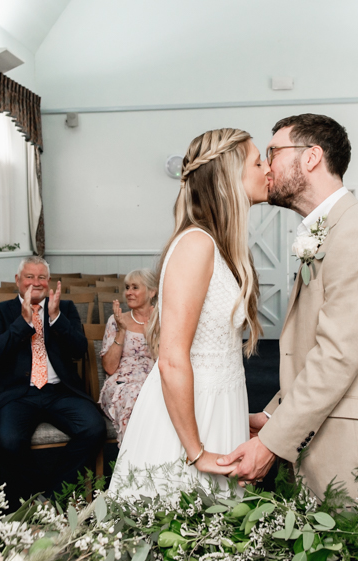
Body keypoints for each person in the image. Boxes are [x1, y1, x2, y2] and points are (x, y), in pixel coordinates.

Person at [220, 113, 358, 498]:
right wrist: (272, 415)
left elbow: (336, 357)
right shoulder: (331, 230)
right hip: (331, 432)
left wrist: (271, 443)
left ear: (311, 157)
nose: (266, 167)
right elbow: (311, 349)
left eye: (273, 152)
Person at [110, 128, 268, 498]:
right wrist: (196, 453)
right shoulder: (196, 243)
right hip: (190, 421)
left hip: (220, 402)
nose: (267, 169)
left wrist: (237, 413)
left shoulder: (220, 246)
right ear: (230, 176)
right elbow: (172, 359)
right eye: (258, 162)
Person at [0, 256, 106, 505]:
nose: (36, 282)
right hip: (17, 394)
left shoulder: (65, 308)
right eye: (30, 276)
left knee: (94, 429)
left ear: (49, 282)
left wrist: (56, 318)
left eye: (42, 277)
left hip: (60, 391)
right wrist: (23, 322)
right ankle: (33, 494)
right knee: (8, 441)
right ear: (18, 280)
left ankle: (54, 494)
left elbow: (79, 349)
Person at [99, 269, 158, 444]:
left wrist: (154, 332)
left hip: (154, 380)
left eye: (135, 287)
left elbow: (168, 359)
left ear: (152, 292)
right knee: (137, 396)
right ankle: (134, 460)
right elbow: (109, 367)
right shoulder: (116, 320)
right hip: (122, 384)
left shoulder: (163, 320)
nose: (129, 292)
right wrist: (122, 330)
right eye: (127, 287)